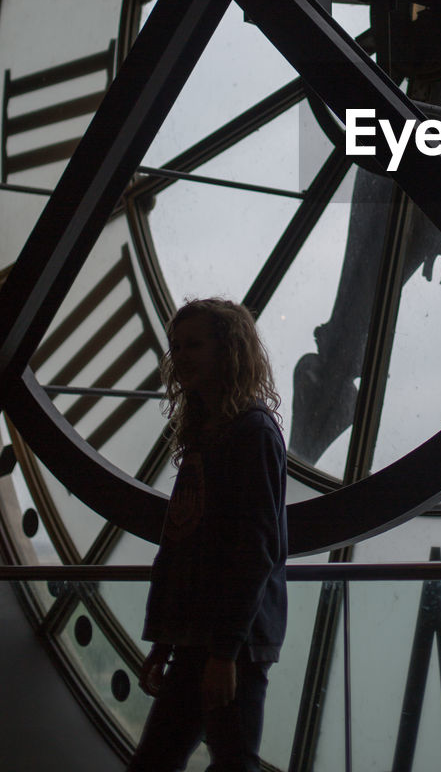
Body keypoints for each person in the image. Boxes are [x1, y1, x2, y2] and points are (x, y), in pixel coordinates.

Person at [128, 298, 287, 772]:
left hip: (212, 642)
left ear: (227, 350)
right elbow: (254, 550)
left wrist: (170, 637)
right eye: (178, 346)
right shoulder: (249, 432)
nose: (180, 356)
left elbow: (186, 544)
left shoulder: (216, 434)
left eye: (190, 345)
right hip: (226, 643)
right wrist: (220, 648)